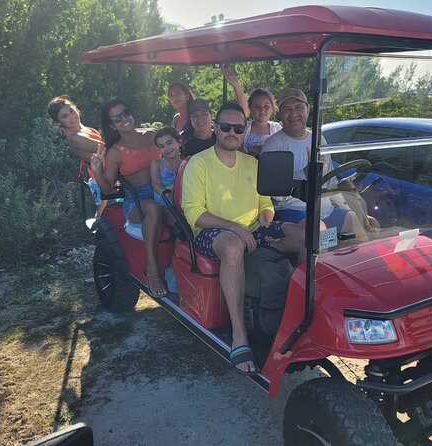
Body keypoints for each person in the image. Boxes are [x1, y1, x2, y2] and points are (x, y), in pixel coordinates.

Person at [182, 103, 305, 375]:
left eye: (238, 128)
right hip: (212, 233)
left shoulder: (252, 162)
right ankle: (240, 336)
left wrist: (266, 219)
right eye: (225, 126)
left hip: (252, 229)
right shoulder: (198, 164)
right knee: (233, 244)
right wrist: (236, 229)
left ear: (245, 131)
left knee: (306, 237)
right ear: (216, 127)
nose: (231, 132)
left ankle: (298, 319)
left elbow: (265, 202)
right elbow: (195, 213)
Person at [260, 88, 364, 237]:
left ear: (308, 109)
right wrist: (305, 174)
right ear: (280, 113)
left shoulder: (318, 140)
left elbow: (330, 183)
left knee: (358, 221)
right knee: (318, 232)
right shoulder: (273, 145)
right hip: (292, 210)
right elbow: (275, 194)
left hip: (323, 208)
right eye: (287, 109)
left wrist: (346, 205)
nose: (293, 113)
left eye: (298, 107)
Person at [90, 99, 167, 297]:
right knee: (154, 209)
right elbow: (107, 188)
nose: (124, 119)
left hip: (162, 188)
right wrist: (98, 170)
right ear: (111, 125)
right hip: (137, 199)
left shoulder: (151, 136)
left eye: (126, 113)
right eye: (117, 118)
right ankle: (152, 270)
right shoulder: (115, 151)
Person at [47, 95, 107, 216]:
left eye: (71, 111)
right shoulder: (74, 137)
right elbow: (106, 147)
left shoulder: (85, 128)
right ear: (59, 122)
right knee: (103, 211)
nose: (72, 117)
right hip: (101, 174)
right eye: (65, 116)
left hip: (110, 167)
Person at [222, 68, 282, 156]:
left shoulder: (277, 129)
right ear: (250, 108)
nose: (262, 111)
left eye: (266, 107)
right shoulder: (244, 127)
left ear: (273, 108)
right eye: (257, 107)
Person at [150, 127, 182, 227]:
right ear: (159, 150)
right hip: (165, 206)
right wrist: (164, 191)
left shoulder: (187, 163)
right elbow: (155, 184)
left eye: (169, 143)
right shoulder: (157, 164)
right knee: (181, 225)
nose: (167, 149)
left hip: (184, 204)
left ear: (179, 142)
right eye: (162, 146)